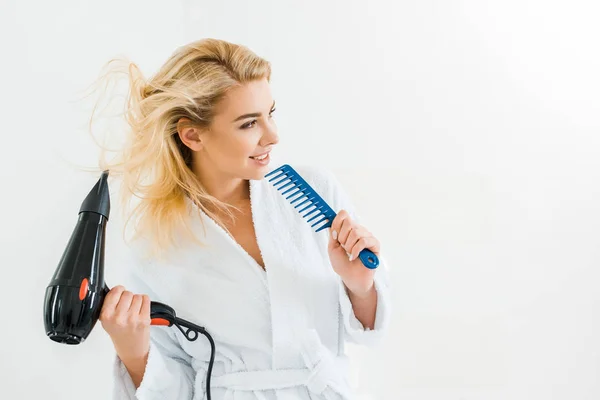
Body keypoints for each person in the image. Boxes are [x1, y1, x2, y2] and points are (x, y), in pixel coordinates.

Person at [93, 38, 392, 400]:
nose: (273, 136)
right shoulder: (157, 243)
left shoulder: (315, 191)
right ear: (192, 134)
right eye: (249, 124)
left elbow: (368, 330)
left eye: (271, 113)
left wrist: (360, 287)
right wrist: (133, 351)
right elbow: (176, 390)